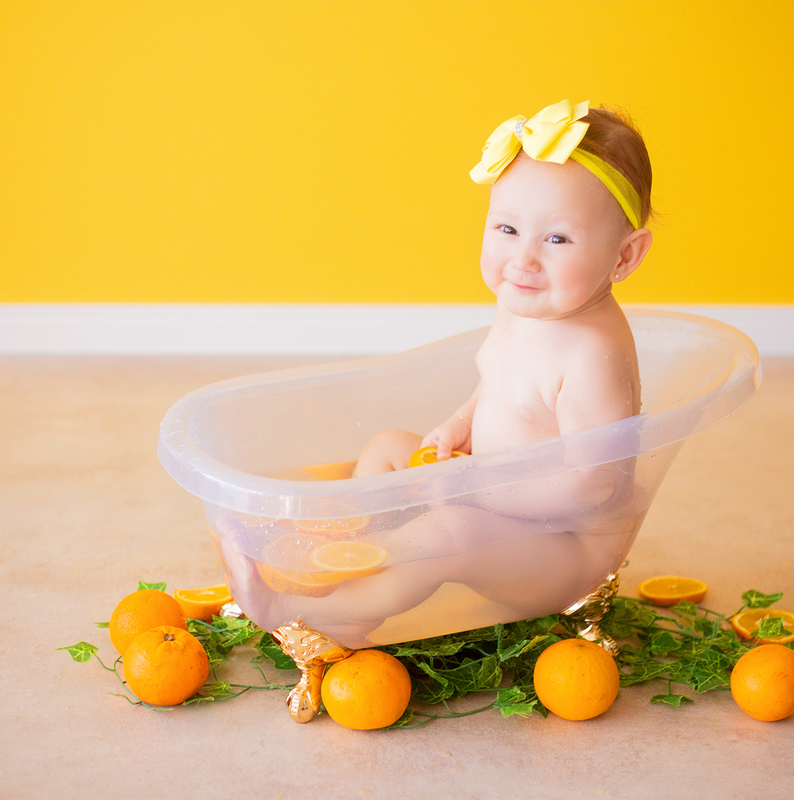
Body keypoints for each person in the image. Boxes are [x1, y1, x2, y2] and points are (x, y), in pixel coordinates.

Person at [238, 100, 656, 646]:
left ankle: (323, 610)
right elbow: (500, 384)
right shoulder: (526, 303)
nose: (523, 259)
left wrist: (479, 490)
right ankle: (338, 554)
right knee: (391, 447)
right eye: (507, 228)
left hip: (561, 550)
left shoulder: (591, 353)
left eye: (557, 239)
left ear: (624, 257)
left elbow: (591, 486)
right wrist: (460, 426)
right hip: (490, 490)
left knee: (451, 531)